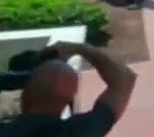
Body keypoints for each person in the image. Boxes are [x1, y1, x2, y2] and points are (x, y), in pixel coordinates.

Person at [7, 42, 137, 136]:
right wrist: (80, 49)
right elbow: (125, 78)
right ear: (70, 98)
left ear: (25, 94)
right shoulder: (80, 130)